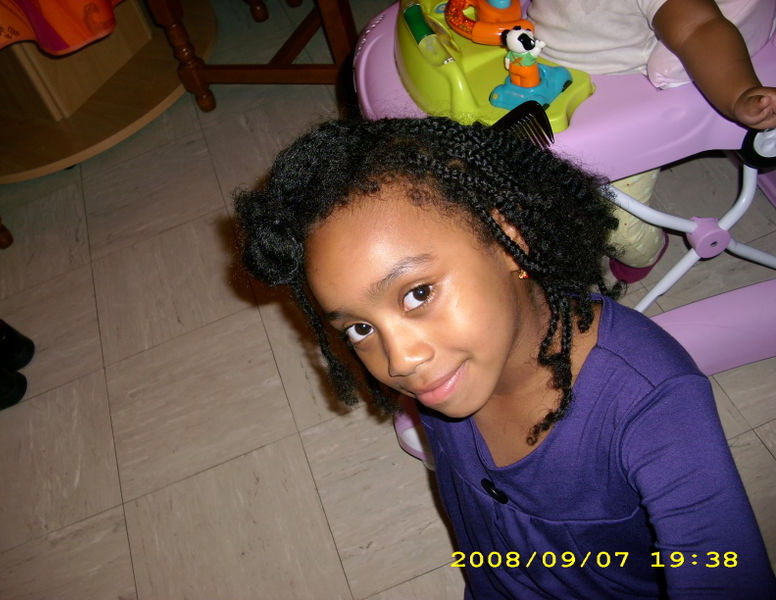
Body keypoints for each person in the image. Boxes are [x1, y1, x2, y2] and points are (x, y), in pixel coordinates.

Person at [236, 117, 776, 599]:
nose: (400, 360)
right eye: (359, 328)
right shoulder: (451, 366)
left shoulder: (652, 405)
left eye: (418, 293)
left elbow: (726, 574)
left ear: (506, 237)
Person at [526, 0, 776, 282]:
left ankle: (646, 252)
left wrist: (740, 93)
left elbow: (699, 29)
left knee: (619, 228)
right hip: (533, 56)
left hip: (617, 100)